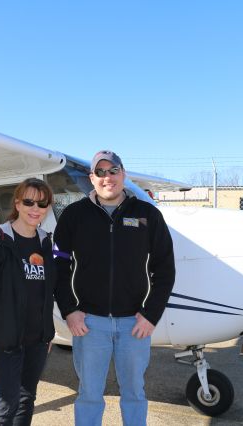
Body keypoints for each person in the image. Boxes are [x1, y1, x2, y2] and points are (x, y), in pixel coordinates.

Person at [54, 150, 175, 426]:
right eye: (100, 172)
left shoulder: (147, 215)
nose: (107, 177)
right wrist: (69, 310)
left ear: (123, 174)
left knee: (134, 393)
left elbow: (165, 268)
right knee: (89, 394)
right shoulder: (74, 216)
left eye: (113, 171)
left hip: (135, 323)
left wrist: (151, 314)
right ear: (91, 178)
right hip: (89, 324)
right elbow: (58, 265)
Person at [0, 178, 56, 426]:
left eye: (42, 203)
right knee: (7, 406)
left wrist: (47, 334)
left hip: (37, 342)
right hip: (6, 343)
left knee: (26, 400)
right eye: (28, 201)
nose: (35, 208)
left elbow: (46, 293)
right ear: (17, 202)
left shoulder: (46, 242)